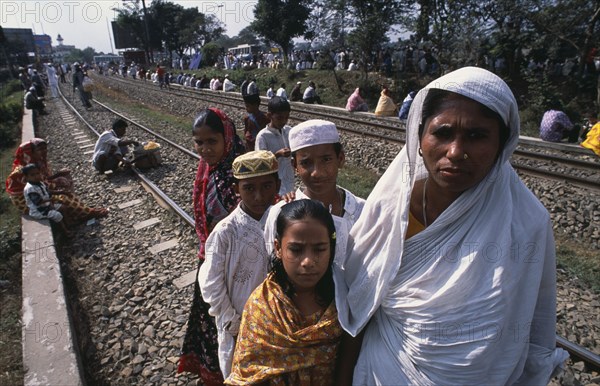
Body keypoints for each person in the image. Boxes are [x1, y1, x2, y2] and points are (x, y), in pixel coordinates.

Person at [334, 67, 568, 385]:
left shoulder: (526, 224)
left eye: (477, 135)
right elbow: (357, 308)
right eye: (443, 133)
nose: (456, 152)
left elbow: (536, 329)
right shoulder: (390, 211)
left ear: (503, 144)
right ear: (419, 138)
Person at [226, 199, 342, 385]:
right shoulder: (262, 307)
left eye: (319, 249)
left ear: (331, 247)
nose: (308, 261)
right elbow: (245, 377)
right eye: (296, 250)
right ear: (278, 248)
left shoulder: (344, 302)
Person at [178, 108, 246, 385]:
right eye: (199, 142)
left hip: (238, 266)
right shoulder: (208, 171)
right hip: (211, 260)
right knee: (214, 321)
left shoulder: (240, 174)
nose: (205, 149)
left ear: (226, 138)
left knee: (235, 323)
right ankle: (215, 372)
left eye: (211, 142)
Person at [199, 150, 280, 377]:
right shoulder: (226, 231)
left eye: (266, 186)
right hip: (239, 324)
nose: (258, 196)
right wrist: (233, 322)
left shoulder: (284, 219)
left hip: (279, 324)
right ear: (237, 189)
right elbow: (211, 284)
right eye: (249, 188)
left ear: (278, 184)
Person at [263, 120, 365, 271]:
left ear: (340, 159)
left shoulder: (362, 211)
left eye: (326, 160)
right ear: (295, 166)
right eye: (306, 163)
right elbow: (272, 268)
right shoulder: (280, 213)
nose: (317, 172)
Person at [5, 138, 108, 220]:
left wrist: (57, 177)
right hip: (27, 200)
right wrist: (57, 185)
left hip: (39, 190)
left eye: (44, 148)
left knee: (64, 185)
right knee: (62, 196)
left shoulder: (37, 162)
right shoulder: (22, 170)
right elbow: (38, 186)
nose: (43, 151)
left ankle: (81, 210)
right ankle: (88, 213)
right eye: (40, 149)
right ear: (30, 152)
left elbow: (43, 180)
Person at [255, 97, 295, 195]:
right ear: (269, 116)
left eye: (286, 118)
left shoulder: (288, 131)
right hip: (273, 182)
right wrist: (277, 154)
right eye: (279, 118)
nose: (283, 121)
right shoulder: (263, 136)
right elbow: (260, 163)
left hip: (289, 179)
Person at [22, 163, 71, 235]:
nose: (36, 176)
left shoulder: (40, 183)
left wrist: (62, 192)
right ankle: (65, 231)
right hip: (39, 211)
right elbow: (38, 202)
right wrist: (51, 200)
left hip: (46, 206)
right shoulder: (30, 189)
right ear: (26, 177)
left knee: (63, 207)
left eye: (37, 173)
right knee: (57, 215)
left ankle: (68, 223)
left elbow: (47, 192)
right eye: (32, 175)